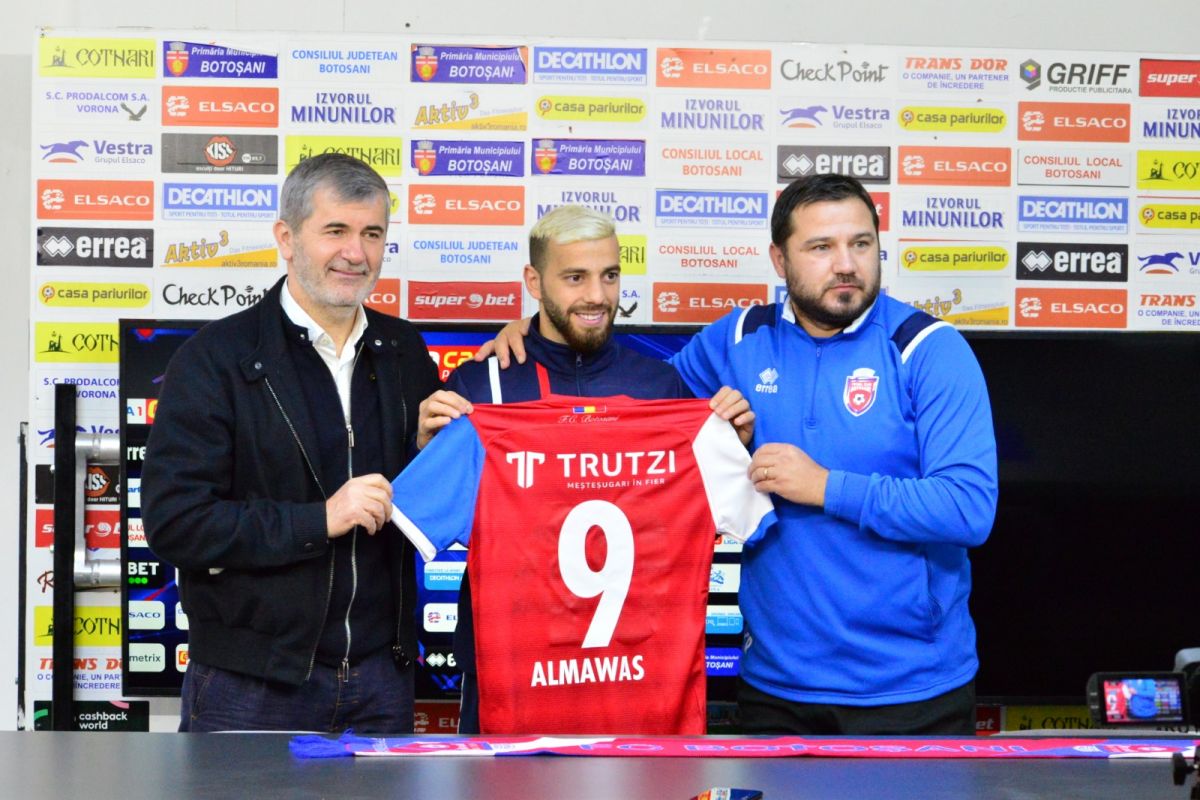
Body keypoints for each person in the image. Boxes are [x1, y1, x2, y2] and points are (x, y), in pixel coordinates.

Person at [482, 174, 999, 735]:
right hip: (774, 689)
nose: (846, 264)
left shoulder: (927, 349)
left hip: (913, 690)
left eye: (861, 243)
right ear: (780, 260)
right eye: (821, 247)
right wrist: (541, 337)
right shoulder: (738, 339)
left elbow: (967, 508)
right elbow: (625, 413)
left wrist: (824, 486)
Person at [413, 204, 757, 733]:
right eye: (575, 277)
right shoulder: (481, 388)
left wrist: (731, 446)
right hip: (512, 679)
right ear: (534, 281)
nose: (597, 295)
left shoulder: (662, 390)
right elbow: (420, 516)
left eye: (610, 276)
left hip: (640, 675)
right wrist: (425, 452)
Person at [141, 153, 440, 733]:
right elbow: (176, 523)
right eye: (336, 231)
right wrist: (318, 520)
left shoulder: (406, 352)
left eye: (372, 234)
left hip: (382, 680)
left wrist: (424, 454)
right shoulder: (214, 359)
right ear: (286, 237)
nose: (356, 253)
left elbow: (410, 505)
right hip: (249, 683)